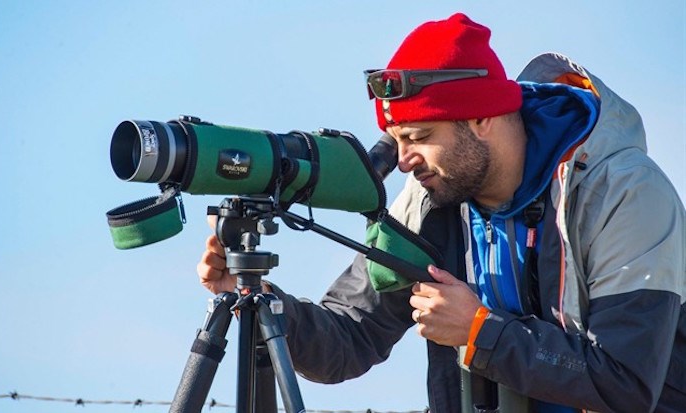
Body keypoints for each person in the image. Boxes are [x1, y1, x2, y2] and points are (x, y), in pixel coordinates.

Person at [197, 13, 686, 413]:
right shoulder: (428, 202)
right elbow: (347, 339)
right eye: (398, 140)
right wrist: (261, 298)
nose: (405, 160)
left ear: (481, 118)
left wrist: (481, 332)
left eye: (420, 138)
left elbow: (626, 384)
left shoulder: (623, 192)